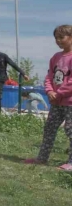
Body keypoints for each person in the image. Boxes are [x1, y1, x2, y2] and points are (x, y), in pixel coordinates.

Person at [24, 25, 72, 171]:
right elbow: (49, 77)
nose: (58, 41)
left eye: (61, 37)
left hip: (69, 102)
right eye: (56, 38)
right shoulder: (55, 57)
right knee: (49, 129)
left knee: (70, 130)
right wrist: (50, 91)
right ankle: (42, 158)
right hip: (55, 102)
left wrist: (60, 93)